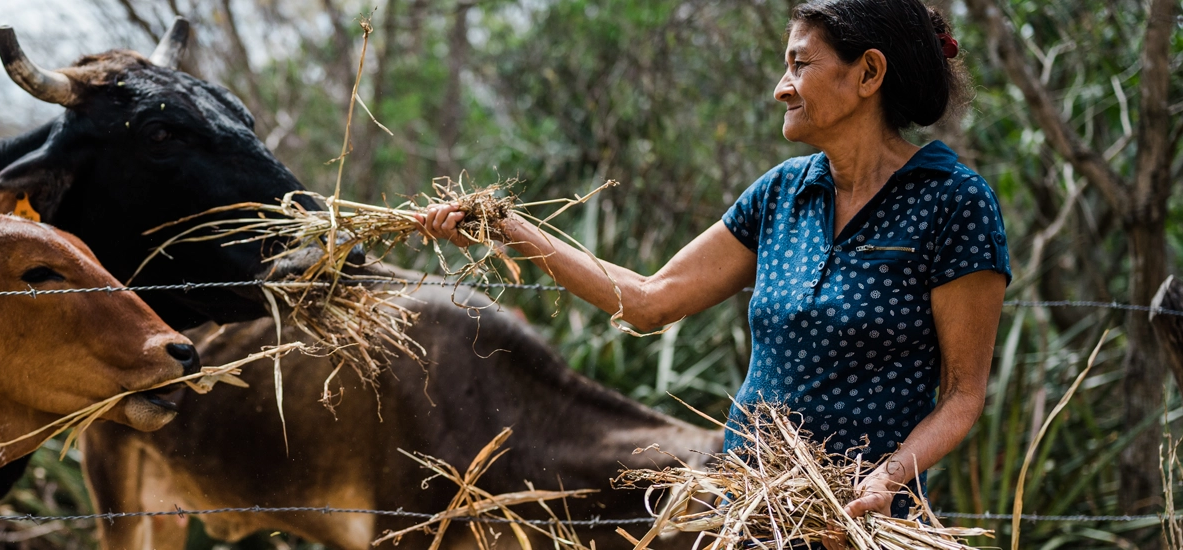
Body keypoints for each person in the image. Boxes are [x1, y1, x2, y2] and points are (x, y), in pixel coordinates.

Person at [417, 0, 1009, 523]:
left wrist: (888, 476)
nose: (782, 86)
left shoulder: (953, 203)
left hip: (860, 518)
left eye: (801, 65)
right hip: (753, 508)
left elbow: (962, 395)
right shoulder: (782, 194)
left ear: (869, 73)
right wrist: (506, 226)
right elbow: (649, 300)